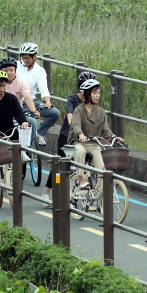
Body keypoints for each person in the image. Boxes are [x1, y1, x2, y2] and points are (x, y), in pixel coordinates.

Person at [40, 71, 95, 207]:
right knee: (60, 164)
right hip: (68, 134)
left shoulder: (93, 100)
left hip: (84, 136)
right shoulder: (73, 99)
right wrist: (73, 124)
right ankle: (46, 193)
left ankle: (88, 193)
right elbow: (70, 114)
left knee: (89, 162)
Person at [67, 79, 123, 187]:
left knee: (102, 168)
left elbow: (106, 131)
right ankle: (81, 178)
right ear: (87, 94)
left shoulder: (101, 112)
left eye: (98, 93)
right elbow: (75, 124)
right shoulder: (79, 110)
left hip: (94, 144)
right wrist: (80, 134)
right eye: (94, 93)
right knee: (79, 152)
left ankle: (101, 193)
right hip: (79, 143)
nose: (98, 96)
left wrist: (114, 137)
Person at [15, 43, 60, 146]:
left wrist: (47, 102)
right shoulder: (16, 65)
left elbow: (43, 88)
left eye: (27, 58)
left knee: (54, 113)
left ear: (34, 57)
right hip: (16, 102)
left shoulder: (40, 71)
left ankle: (39, 134)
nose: (25, 60)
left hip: (31, 102)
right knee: (29, 121)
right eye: (23, 57)